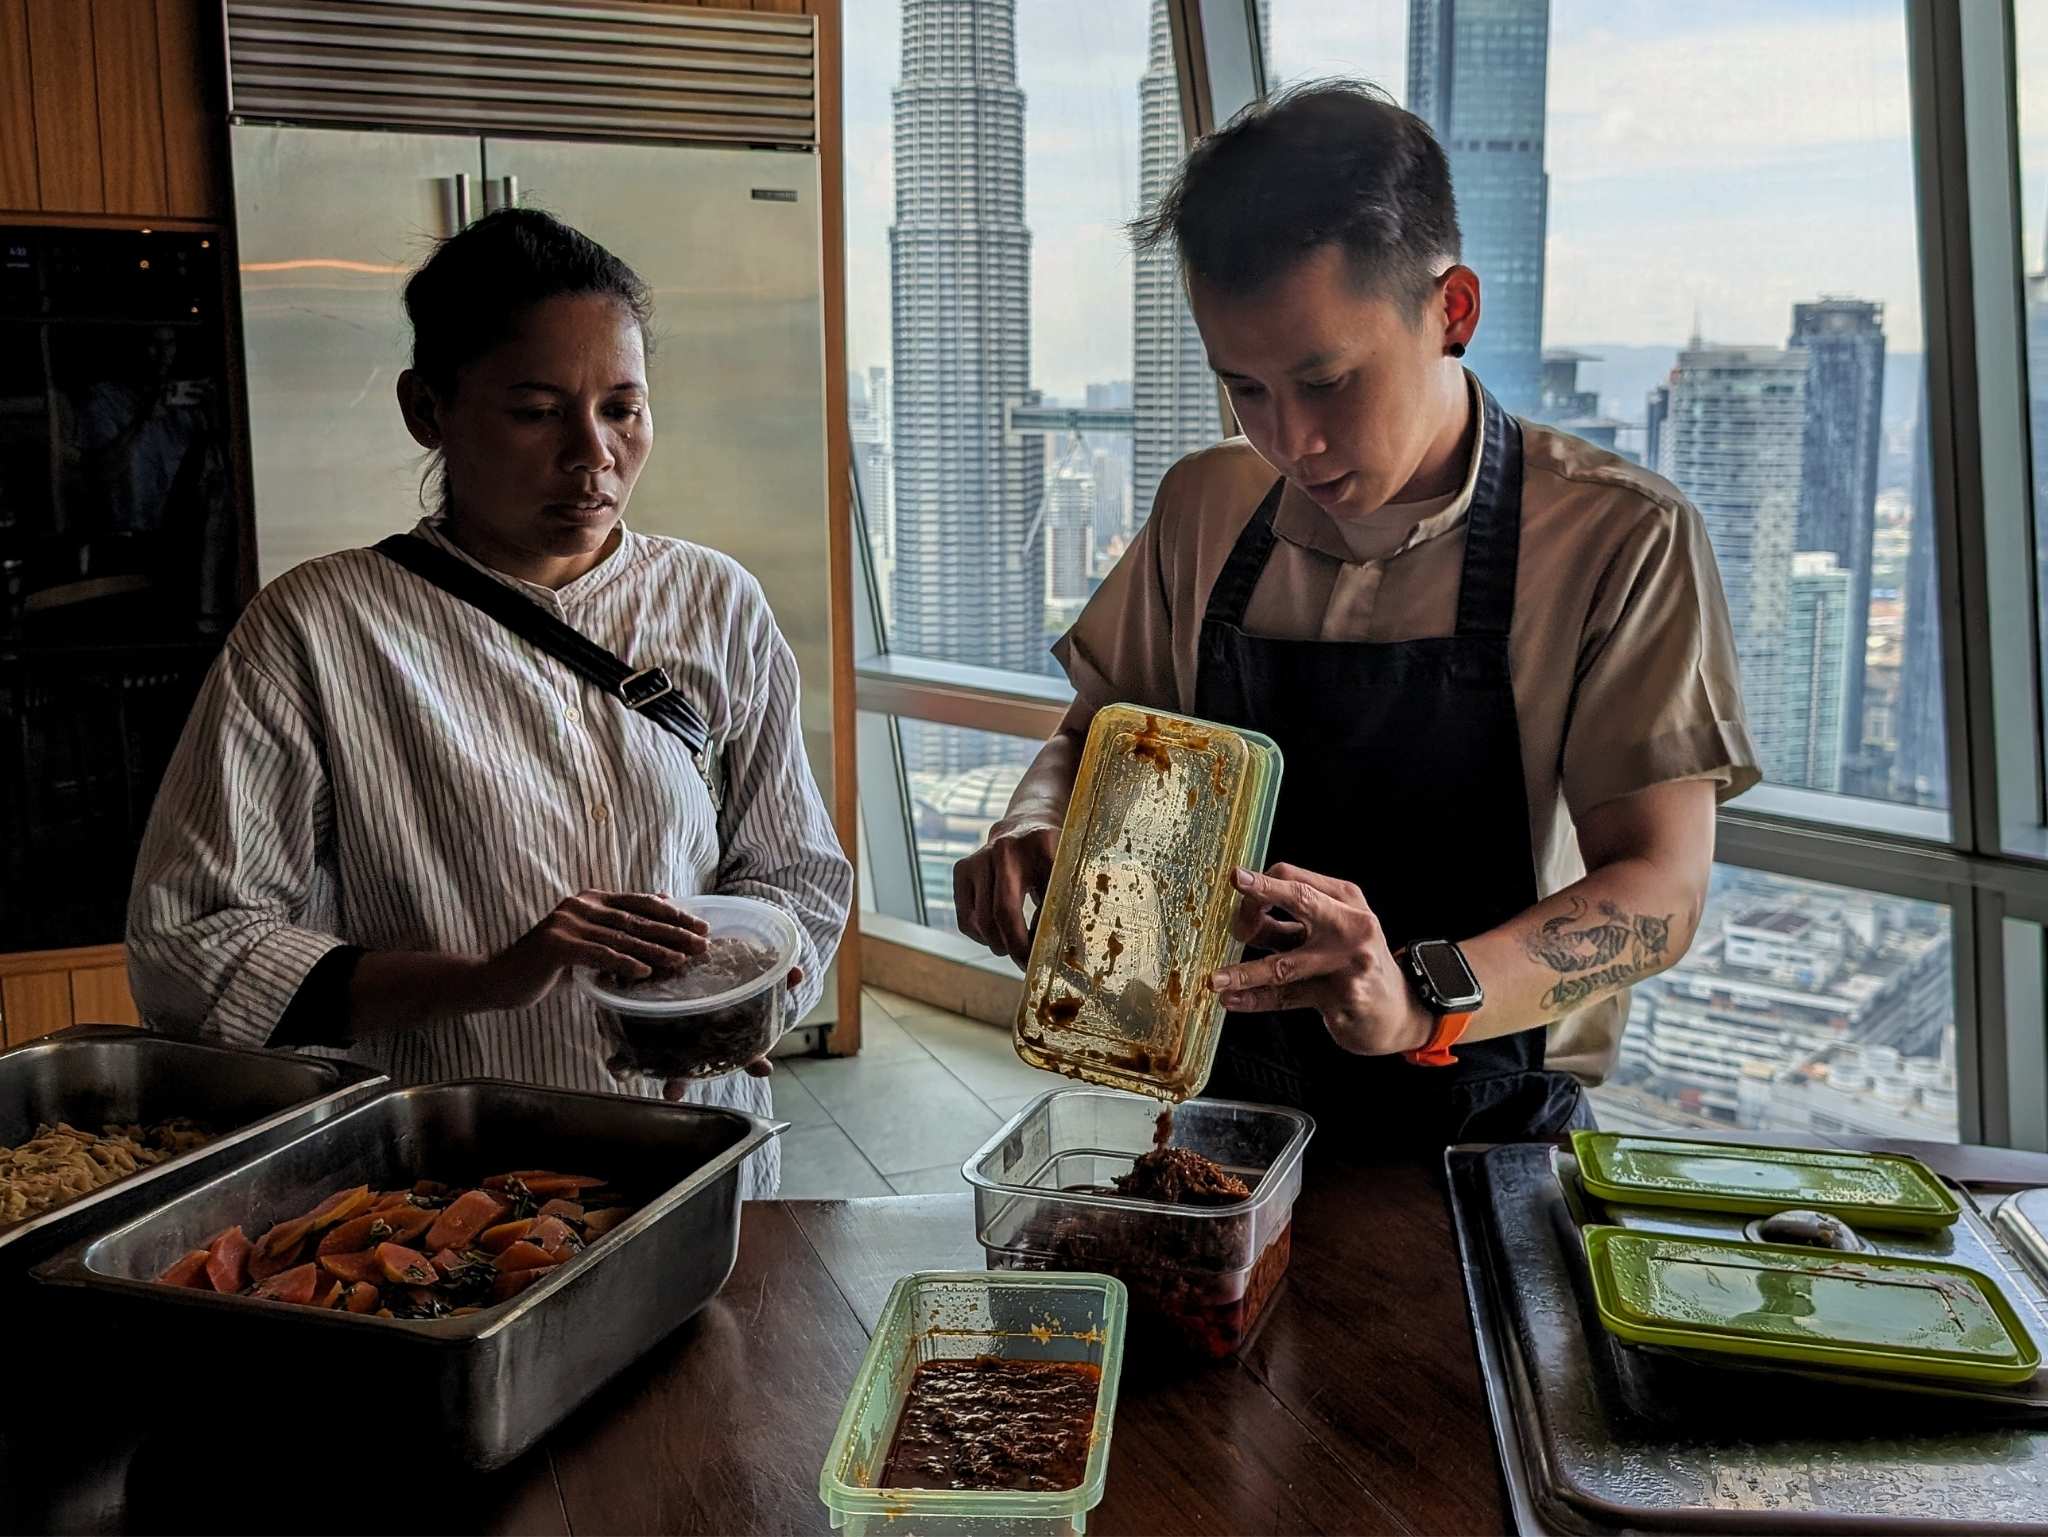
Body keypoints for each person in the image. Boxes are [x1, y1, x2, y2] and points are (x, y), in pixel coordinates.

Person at [954, 83, 1759, 1144]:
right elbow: (1100, 735)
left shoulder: (1616, 536)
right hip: (1224, 1098)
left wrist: (1421, 994)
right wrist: (1032, 819)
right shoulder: (1204, 505)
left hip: (1479, 1109)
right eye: (1243, 390)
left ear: (1451, 310)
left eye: (1326, 381)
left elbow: (1656, 891)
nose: (1290, 441)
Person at [127, 209, 853, 1197]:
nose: (591, 453)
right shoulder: (316, 629)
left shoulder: (716, 602)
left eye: (623, 408)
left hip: (698, 1163)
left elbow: (792, 871)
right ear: (427, 408)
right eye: (536, 409)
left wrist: (743, 998)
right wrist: (484, 979)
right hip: (448, 1190)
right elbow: (192, 946)